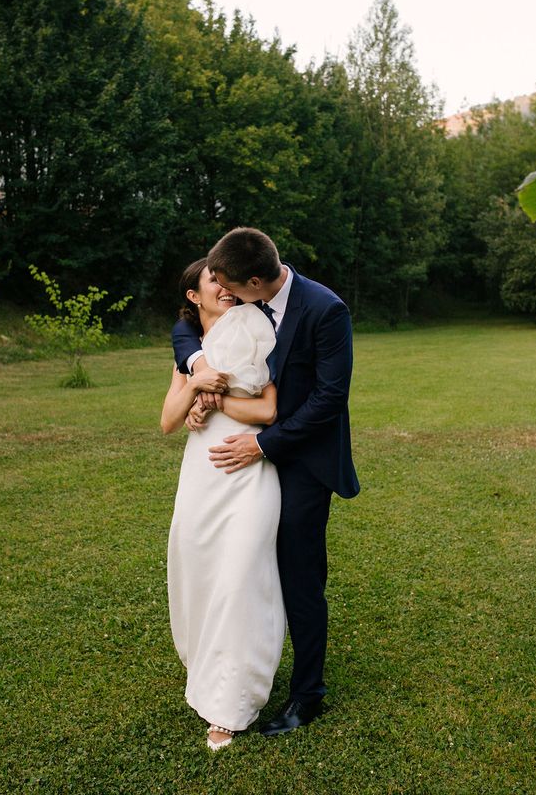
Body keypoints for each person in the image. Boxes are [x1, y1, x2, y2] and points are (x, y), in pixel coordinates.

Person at [172, 228, 360, 737]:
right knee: (234, 568)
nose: (224, 294)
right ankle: (229, 663)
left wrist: (263, 444)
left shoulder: (325, 310)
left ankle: (308, 694)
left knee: (299, 576)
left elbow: (329, 399)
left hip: (299, 461)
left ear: (256, 280)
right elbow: (187, 328)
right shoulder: (240, 306)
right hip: (235, 466)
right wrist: (199, 374)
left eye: (231, 286)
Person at [161, 258, 285, 751]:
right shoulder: (189, 350)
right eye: (213, 279)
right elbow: (168, 421)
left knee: (240, 578)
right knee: (200, 572)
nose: (225, 285)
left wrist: (219, 400)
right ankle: (207, 666)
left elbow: (270, 410)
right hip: (202, 475)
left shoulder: (261, 335)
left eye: (227, 277)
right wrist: (195, 386)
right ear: (194, 295)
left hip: (251, 471)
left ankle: (231, 706)